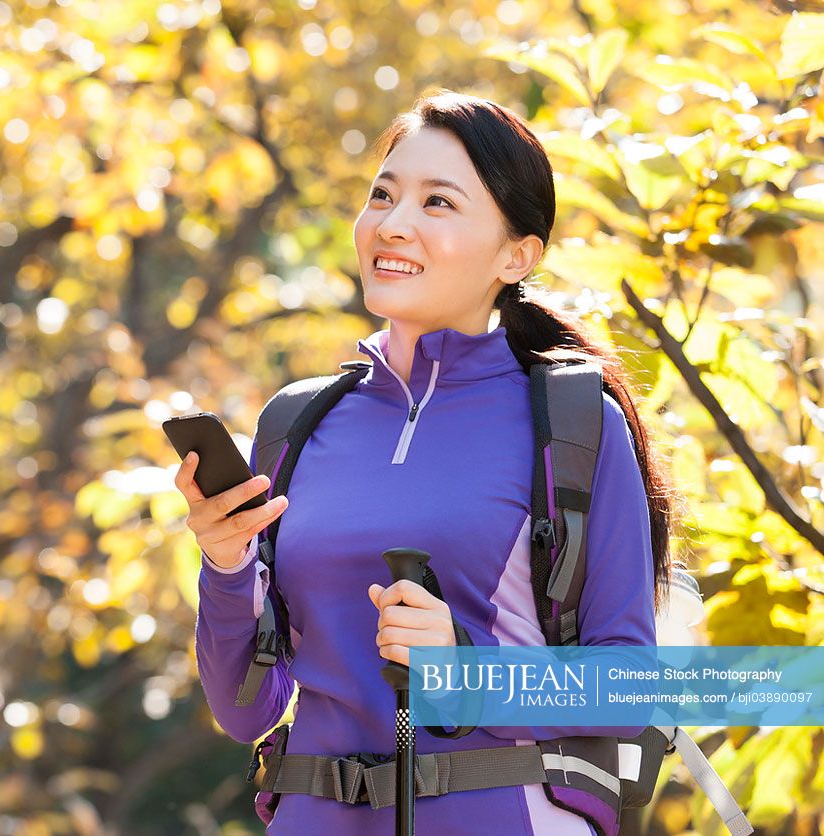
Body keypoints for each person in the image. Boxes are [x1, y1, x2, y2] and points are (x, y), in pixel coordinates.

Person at [173, 90, 679, 833]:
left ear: (516, 255)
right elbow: (242, 708)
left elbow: (627, 686)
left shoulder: (569, 424)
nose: (392, 224)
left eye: (437, 203)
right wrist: (224, 567)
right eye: (382, 195)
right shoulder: (298, 425)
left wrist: (461, 671)